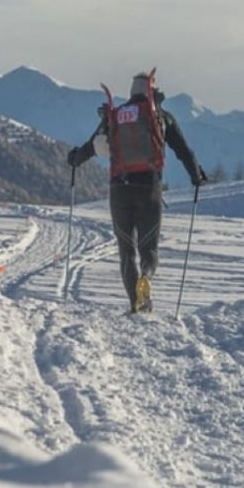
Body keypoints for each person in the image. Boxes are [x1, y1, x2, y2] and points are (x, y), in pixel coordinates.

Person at [68, 69, 207, 313]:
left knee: (126, 250)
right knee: (148, 249)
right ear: (153, 90)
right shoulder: (162, 117)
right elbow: (184, 151)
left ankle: (136, 304)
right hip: (149, 188)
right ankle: (147, 278)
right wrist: (196, 176)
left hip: (119, 189)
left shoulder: (116, 115)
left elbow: (91, 147)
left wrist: (74, 159)